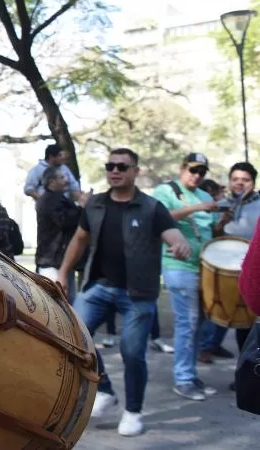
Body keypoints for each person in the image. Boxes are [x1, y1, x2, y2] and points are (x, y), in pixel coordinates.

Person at [56, 148, 190, 437]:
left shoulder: (152, 207)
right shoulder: (95, 205)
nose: (115, 170)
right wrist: (63, 273)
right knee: (73, 336)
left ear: (135, 172)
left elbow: (173, 235)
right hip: (98, 286)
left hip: (137, 294)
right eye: (111, 166)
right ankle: (104, 389)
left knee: (132, 354)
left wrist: (180, 245)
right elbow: (79, 239)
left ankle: (133, 411)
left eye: (122, 166)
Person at [152, 153, 219, 400]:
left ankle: (190, 375)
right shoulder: (166, 190)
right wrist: (197, 207)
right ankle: (183, 379)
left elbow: (210, 229)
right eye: (193, 170)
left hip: (205, 267)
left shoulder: (206, 196)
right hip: (178, 265)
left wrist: (223, 219)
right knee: (187, 321)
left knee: (198, 322)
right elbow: (159, 217)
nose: (197, 175)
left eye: (202, 172)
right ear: (182, 168)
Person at [201, 162, 259, 361]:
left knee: (248, 318)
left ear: (253, 182)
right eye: (235, 179)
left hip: (252, 267)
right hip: (225, 266)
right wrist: (221, 223)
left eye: (245, 180)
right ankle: (209, 346)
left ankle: (247, 361)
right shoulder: (220, 205)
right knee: (221, 307)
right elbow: (213, 236)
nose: (239, 183)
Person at [36, 165, 81, 301]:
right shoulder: (50, 200)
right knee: (58, 302)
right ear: (52, 181)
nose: (66, 180)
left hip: (60, 258)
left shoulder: (57, 198)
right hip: (52, 261)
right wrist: (81, 207)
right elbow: (64, 220)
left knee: (67, 301)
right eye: (61, 177)